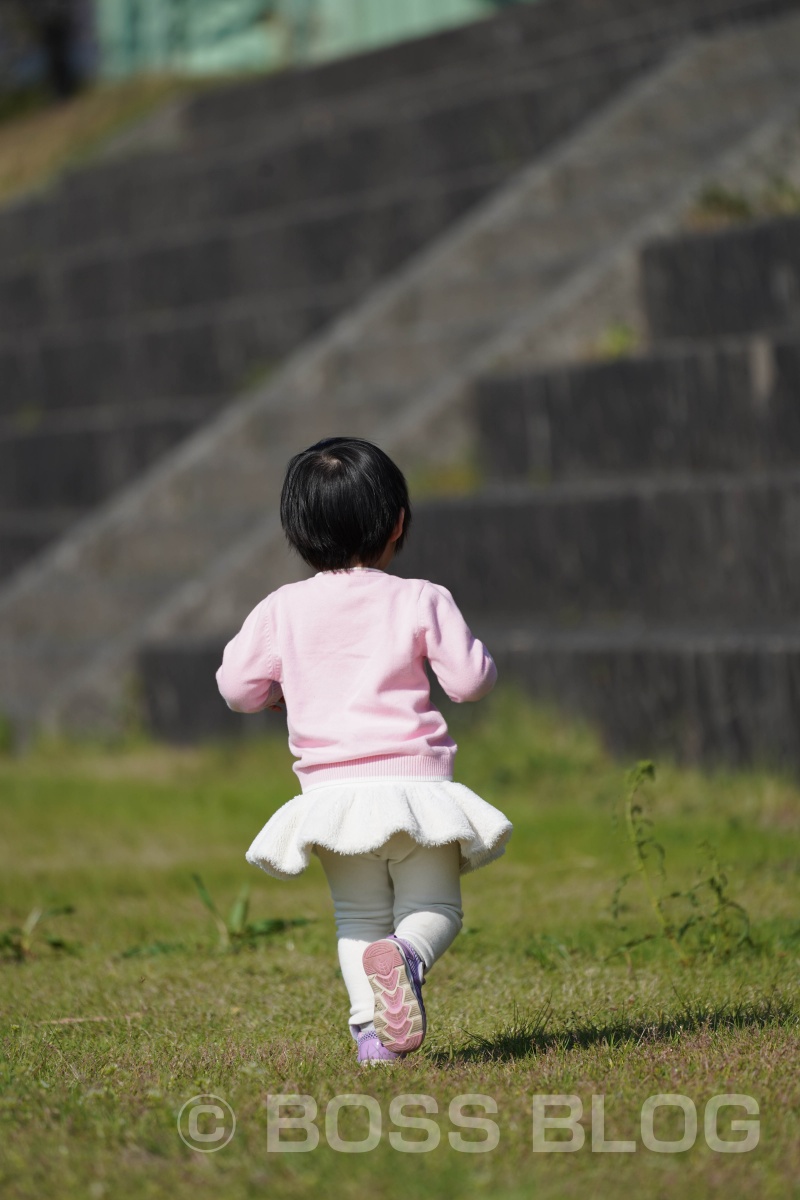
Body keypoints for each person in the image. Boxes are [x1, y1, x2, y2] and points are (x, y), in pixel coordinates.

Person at [216, 437, 512, 1063]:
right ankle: (407, 956)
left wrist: (276, 694)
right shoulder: (420, 597)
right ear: (397, 522)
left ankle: (374, 1039)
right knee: (433, 907)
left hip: (332, 798)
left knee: (356, 918)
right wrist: (479, 663)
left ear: (298, 531)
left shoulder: (280, 609)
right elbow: (467, 682)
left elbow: (237, 688)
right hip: (413, 792)